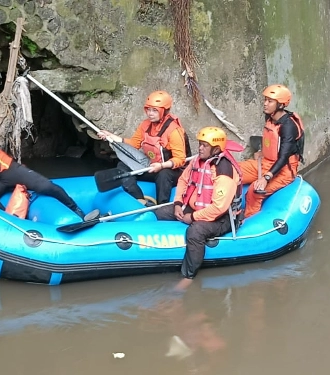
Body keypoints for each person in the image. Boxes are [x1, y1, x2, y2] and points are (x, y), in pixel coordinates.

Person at [154, 127, 242, 289]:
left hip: (223, 218)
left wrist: (192, 217)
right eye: (200, 144)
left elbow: (218, 208)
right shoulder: (197, 161)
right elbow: (182, 181)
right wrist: (178, 204)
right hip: (196, 208)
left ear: (216, 149)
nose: (200, 148)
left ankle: (189, 275)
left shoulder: (224, 171)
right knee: (160, 212)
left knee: (195, 231)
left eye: (204, 145)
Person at [97, 91, 190, 206]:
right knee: (123, 165)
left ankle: (161, 207)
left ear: (165, 111)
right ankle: (139, 198)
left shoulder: (174, 131)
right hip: (152, 166)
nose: (150, 113)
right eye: (148, 109)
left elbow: (180, 159)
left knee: (164, 174)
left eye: (155, 110)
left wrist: (161, 166)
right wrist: (111, 136)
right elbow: (134, 144)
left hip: (173, 171)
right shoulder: (145, 124)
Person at [240, 84, 305, 219]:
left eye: (270, 101)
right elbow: (271, 141)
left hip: (284, 170)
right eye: (265, 100)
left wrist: (266, 178)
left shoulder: (288, 127)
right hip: (266, 162)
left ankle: (248, 219)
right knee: (233, 171)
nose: (265, 104)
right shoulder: (270, 117)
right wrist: (261, 150)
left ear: (280, 105)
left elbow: (283, 157)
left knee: (255, 190)